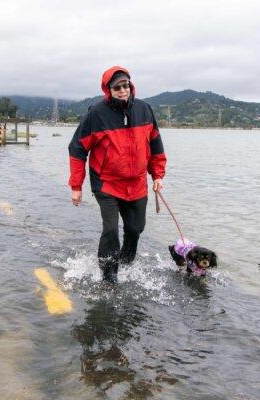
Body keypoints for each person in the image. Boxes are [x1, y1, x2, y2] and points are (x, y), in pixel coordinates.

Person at [68, 66, 167, 282]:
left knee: (135, 229)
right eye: (117, 87)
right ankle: (108, 276)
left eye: (126, 86)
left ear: (131, 86)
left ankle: (125, 265)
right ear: (108, 90)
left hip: (137, 183)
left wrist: (157, 175)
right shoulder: (96, 114)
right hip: (107, 183)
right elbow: (77, 148)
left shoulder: (145, 110)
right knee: (111, 230)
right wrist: (76, 187)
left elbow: (156, 145)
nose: (123, 90)